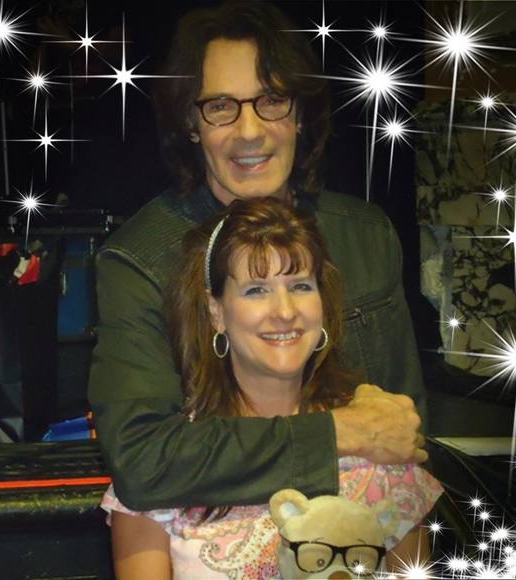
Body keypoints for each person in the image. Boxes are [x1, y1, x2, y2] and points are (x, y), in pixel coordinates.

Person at [88, 0, 427, 512]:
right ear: (191, 123)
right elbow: (143, 460)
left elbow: (407, 434)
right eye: (221, 106)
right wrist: (337, 433)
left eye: (271, 100)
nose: (249, 131)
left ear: (300, 115)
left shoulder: (366, 238)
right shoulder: (140, 262)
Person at [101, 197, 443, 579]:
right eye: (256, 290)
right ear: (216, 311)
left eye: (300, 285)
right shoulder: (167, 470)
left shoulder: (382, 447)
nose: (284, 311)